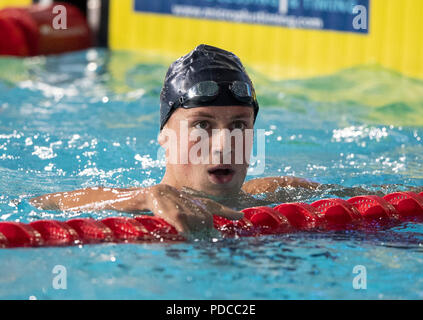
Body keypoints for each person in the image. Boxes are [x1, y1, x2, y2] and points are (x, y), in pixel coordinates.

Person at [29, 44, 325, 235]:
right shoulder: (136, 204)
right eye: (202, 124)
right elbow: (42, 202)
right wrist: (145, 197)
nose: (224, 145)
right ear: (165, 136)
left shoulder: (279, 193)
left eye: (239, 124)